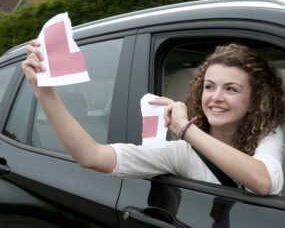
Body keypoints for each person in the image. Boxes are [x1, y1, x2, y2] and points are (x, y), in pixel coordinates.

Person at [22, 41, 285, 195]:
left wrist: (186, 128)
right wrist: (45, 94)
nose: (216, 97)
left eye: (231, 89)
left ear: (254, 100)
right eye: (209, 86)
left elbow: (264, 181)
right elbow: (92, 156)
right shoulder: (181, 152)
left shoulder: (269, 134)